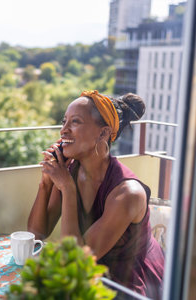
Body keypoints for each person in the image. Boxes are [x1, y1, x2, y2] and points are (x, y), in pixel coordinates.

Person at [27, 90, 164, 299]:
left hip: (127, 286)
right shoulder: (69, 170)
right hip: (91, 276)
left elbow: (76, 262)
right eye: (64, 122)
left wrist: (68, 190)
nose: (64, 130)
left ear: (103, 133)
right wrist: (46, 184)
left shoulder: (127, 194)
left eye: (75, 122)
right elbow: (37, 235)